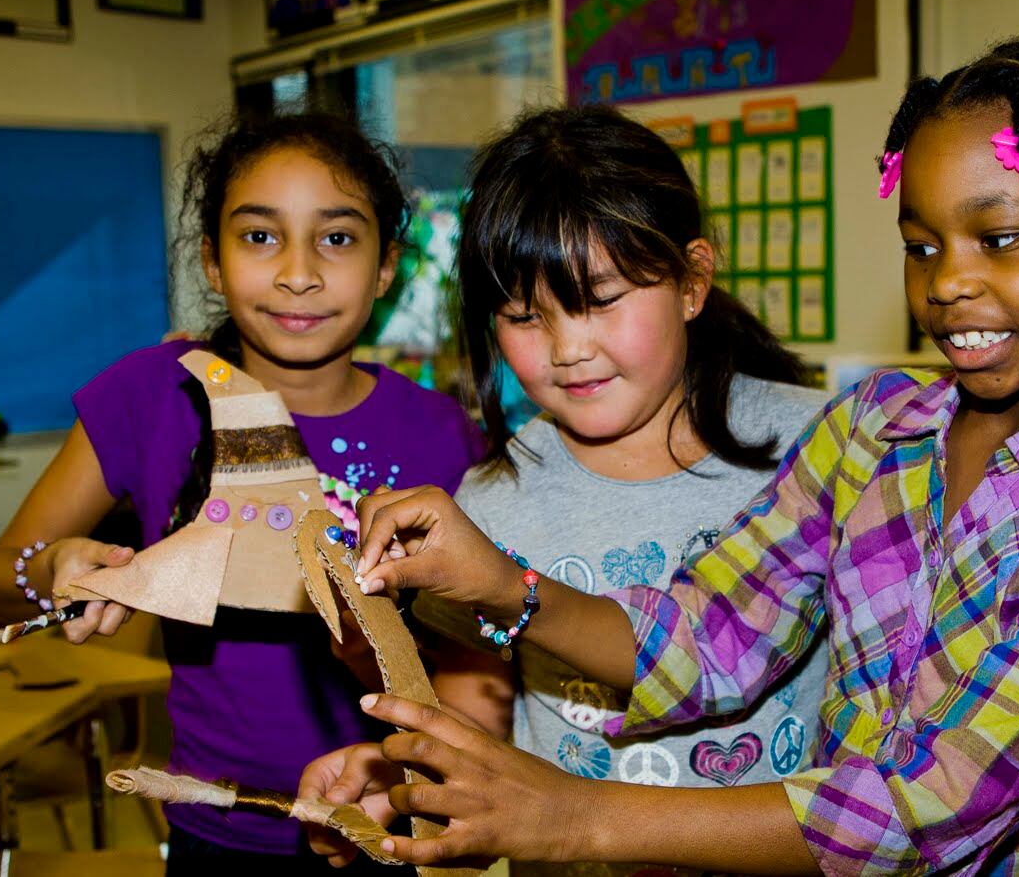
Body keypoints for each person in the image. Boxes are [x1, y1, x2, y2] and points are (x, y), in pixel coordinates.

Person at [319, 21, 1019, 874]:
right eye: (921, 247)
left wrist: (574, 814)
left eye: (999, 239)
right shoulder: (873, 429)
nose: (949, 281)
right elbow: (715, 635)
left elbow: (933, 804)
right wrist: (503, 586)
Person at [299, 106, 831, 874]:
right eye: (523, 315)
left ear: (692, 281)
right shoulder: (485, 505)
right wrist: (401, 782)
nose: (569, 349)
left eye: (602, 298)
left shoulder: (822, 447)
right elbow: (474, 726)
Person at [0, 111, 484, 874]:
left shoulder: (444, 434)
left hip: (386, 826)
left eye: (337, 238)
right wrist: (47, 573)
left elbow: (478, 661)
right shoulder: (151, 396)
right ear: (212, 262)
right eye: (260, 236)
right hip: (218, 833)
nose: (298, 272)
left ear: (386, 267)